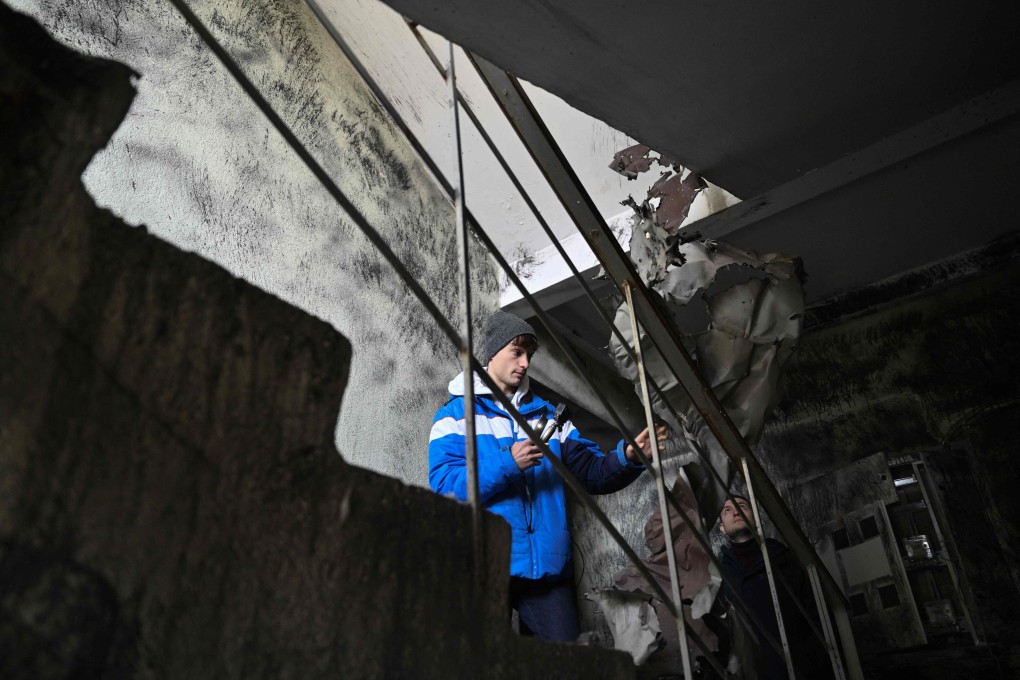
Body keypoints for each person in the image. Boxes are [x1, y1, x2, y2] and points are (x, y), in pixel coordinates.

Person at [428, 311, 664, 642]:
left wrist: (628, 457)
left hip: (546, 571)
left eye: (530, 354)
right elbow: (445, 489)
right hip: (483, 566)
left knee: (564, 666)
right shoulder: (453, 417)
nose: (525, 363)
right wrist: (509, 462)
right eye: (517, 351)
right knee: (484, 666)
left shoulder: (549, 417)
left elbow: (592, 474)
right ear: (490, 352)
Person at [718, 495, 833, 680]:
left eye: (742, 506)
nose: (736, 512)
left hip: (798, 669)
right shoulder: (719, 575)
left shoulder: (782, 557)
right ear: (722, 528)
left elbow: (814, 611)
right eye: (727, 510)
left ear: (755, 519)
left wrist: (812, 664)